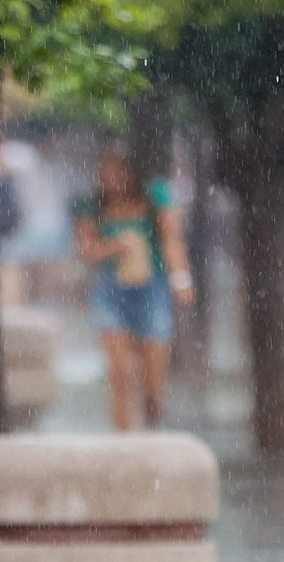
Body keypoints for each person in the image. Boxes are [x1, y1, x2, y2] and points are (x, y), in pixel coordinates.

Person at [74, 152, 195, 430]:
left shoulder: (155, 198)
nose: (110, 180)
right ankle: (124, 438)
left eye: (117, 172)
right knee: (120, 371)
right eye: (105, 174)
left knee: (154, 374)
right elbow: (87, 248)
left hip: (152, 289)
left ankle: (153, 426)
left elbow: (171, 239)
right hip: (112, 291)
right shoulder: (92, 206)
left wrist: (181, 279)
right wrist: (116, 247)